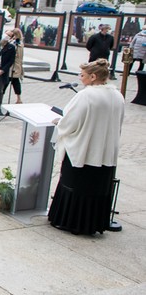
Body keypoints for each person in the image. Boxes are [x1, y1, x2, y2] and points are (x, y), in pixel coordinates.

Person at [48, 59, 125, 235]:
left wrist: (61, 123)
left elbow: (71, 121)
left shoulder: (86, 95)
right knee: (97, 186)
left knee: (75, 185)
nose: (80, 79)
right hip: (105, 152)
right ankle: (94, 222)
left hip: (84, 150)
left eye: (82, 75)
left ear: (93, 76)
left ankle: (70, 221)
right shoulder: (118, 96)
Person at [7, 28, 25, 104]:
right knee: (15, 82)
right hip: (17, 66)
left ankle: (19, 98)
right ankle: (19, 98)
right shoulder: (20, 43)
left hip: (13, 66)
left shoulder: (16, 44)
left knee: (7, 82)